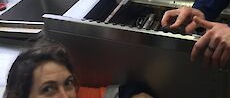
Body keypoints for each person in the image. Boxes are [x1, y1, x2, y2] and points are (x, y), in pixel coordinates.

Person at [4, 39, 153, 98]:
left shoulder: (75, 92)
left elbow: (111, 93)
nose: (65, 96)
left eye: (68, 83)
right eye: (48, 89)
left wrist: (133, 94)